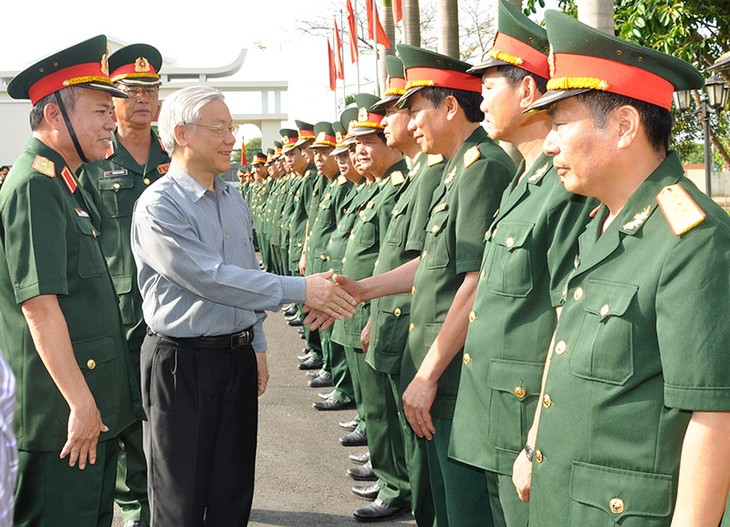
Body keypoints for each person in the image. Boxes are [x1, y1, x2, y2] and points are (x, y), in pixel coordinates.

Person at [511, 10, 730, 526]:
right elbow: (564, 341)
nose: (548, 142)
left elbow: (713, 416)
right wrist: (533, 444)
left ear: (626, 126)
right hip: (560, 500)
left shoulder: (693, 240)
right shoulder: (599, 222)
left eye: (562, 123)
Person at [130, 85, 357, 526]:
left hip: (233, 358)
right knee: (180, 501)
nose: (231, 139)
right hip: (181, 365)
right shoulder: (158, 206)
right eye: (219, 129)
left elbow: (243, 274)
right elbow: (210, 278)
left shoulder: (232, 198)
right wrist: (300, 289)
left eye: (230, 128)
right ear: (182, 134)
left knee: (232, 493)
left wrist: (254, 345)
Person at [322, 44, 515, 526]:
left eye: (414, 110)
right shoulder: (456, 167)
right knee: (440, 504)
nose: (408, 122)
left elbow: (474, 282)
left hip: (448, 370)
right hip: (432, 361)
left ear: (450, 107)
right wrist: (364, 289)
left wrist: (427, 375)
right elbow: (432, 265)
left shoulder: (483, 168)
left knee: (461, 508)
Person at [447, 3, 596, 526]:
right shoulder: (523, 180)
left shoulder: (562, 190)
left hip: (524, 413)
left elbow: (567, 316)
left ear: (527, 92)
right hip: (495, 412)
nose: (479, 100)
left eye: (489, 88)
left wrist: (535, 434)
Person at [0, 35, 139, 526]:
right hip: (61, 414)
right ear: (55, 115)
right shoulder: (35, 186)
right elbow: (39, 308)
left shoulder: (67, 181)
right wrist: (81, 404)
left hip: (89, 405)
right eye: (101, 110)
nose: (112, 122)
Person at [78, 43, 169, 527]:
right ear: (112, 100)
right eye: (131, 90)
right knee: (120, 412)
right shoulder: (92, 162)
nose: (141, 99)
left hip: (171, 308)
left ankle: (171, 497)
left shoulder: (176, 156)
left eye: (150, 90)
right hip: (114, 311)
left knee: (174, 412)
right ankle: (134, 507)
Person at [355, 54, 446, 525]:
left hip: (412, 321)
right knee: (394, 421)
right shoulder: (420, 176)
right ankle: (396, 482)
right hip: (390, 314)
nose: (391, 118)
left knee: (416, 437)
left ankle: (400, 488)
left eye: (396, 109)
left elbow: (429, 266)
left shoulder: (432, 175)